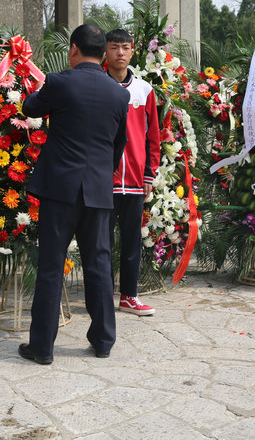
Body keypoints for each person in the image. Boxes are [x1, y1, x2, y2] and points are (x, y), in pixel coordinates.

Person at [18, 24, 130, 364]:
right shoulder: (119, 94)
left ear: (73, 50)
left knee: (51, 266)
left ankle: (42, 348)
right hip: (98, 190)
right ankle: (103, 340)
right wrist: (99, 174)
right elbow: (118, 145)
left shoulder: (60, 82)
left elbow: (29, 108)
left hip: (60, 190)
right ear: (104, 53)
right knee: (99, 264)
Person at [105, 29, 161, 315]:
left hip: (136, 181)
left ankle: (128, 296)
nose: (120, 53)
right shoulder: (98, 86)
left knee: (132, 242)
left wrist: (149, 174)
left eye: (125, 48)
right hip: (104, 181)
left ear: (132, 50)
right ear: (105, 51)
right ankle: (101, 296)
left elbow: (154, 137)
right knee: (100, 242)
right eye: (114, 48)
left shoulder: (144, 90)